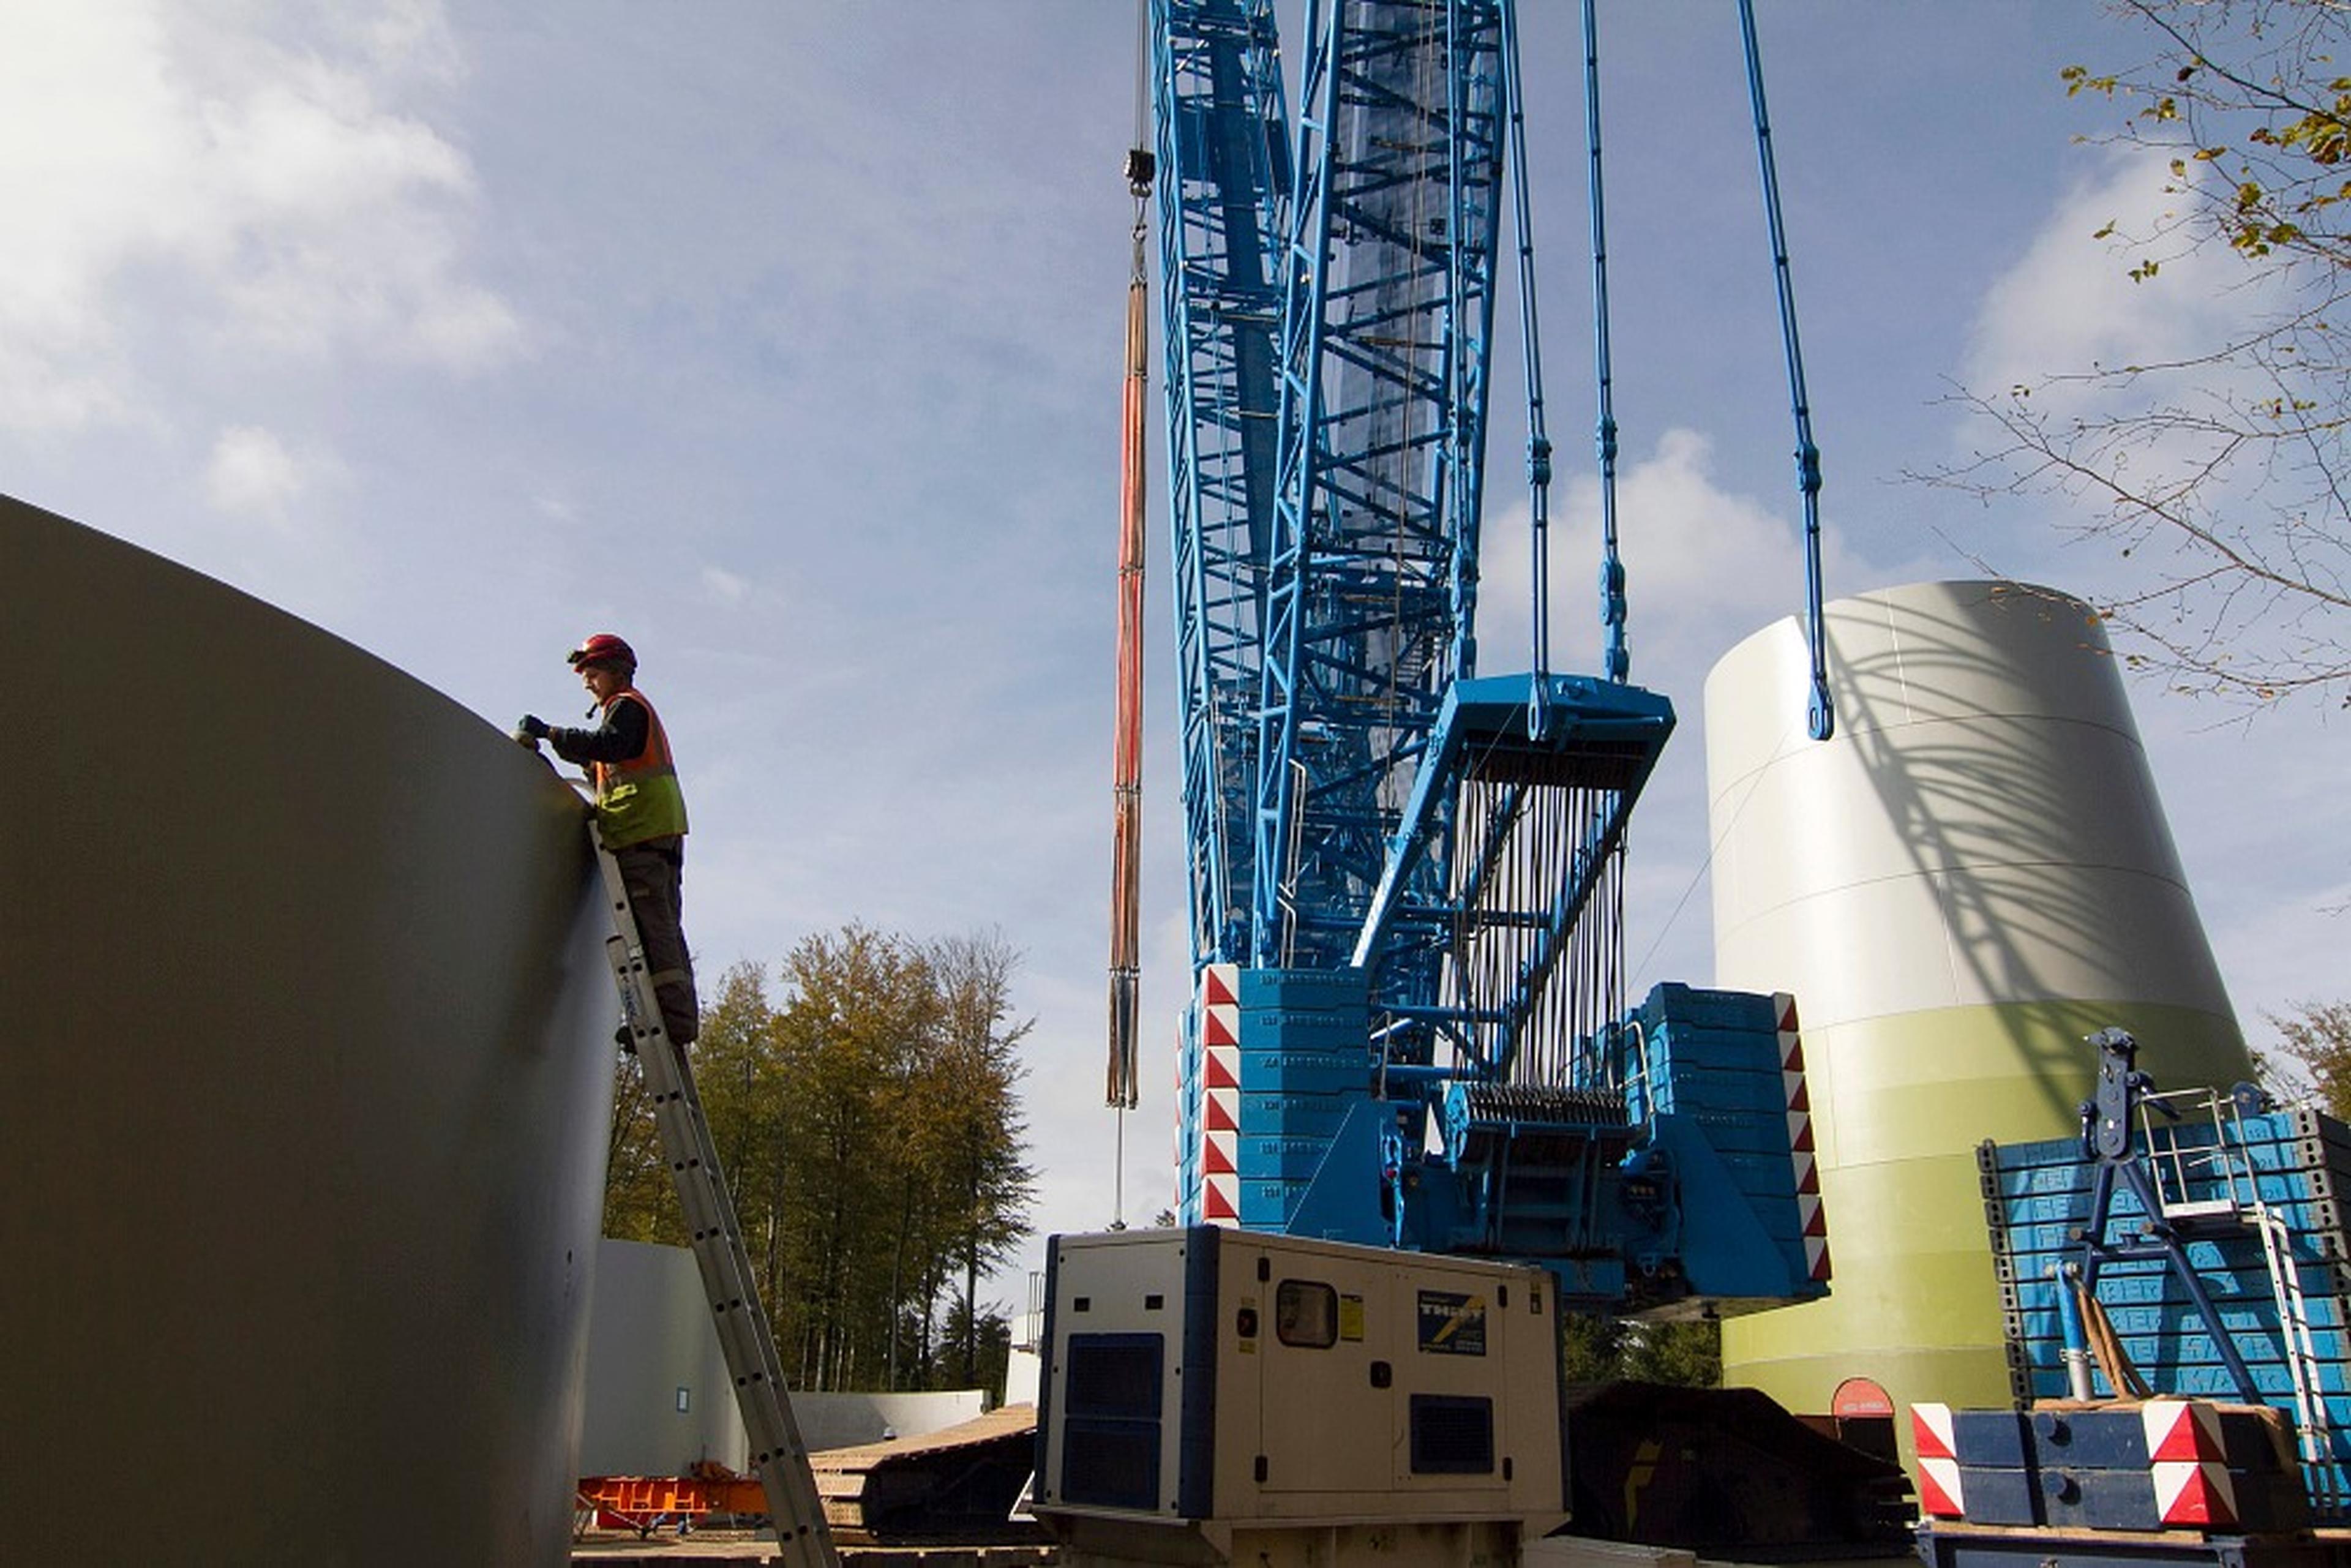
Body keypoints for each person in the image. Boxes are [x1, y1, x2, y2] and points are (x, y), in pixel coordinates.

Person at [517, 633, 699, 1046]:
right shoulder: (627, 713)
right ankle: (676, 1015)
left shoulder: (627, 707)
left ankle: (671, 1020)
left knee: (652, 929)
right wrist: (561, 746)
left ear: (617, 672)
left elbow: (610, 745)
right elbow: (600, 756)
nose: (587, 682)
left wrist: (551, 732)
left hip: (642, 830)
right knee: (663, 927)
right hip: (654, 831)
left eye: (593, 672)